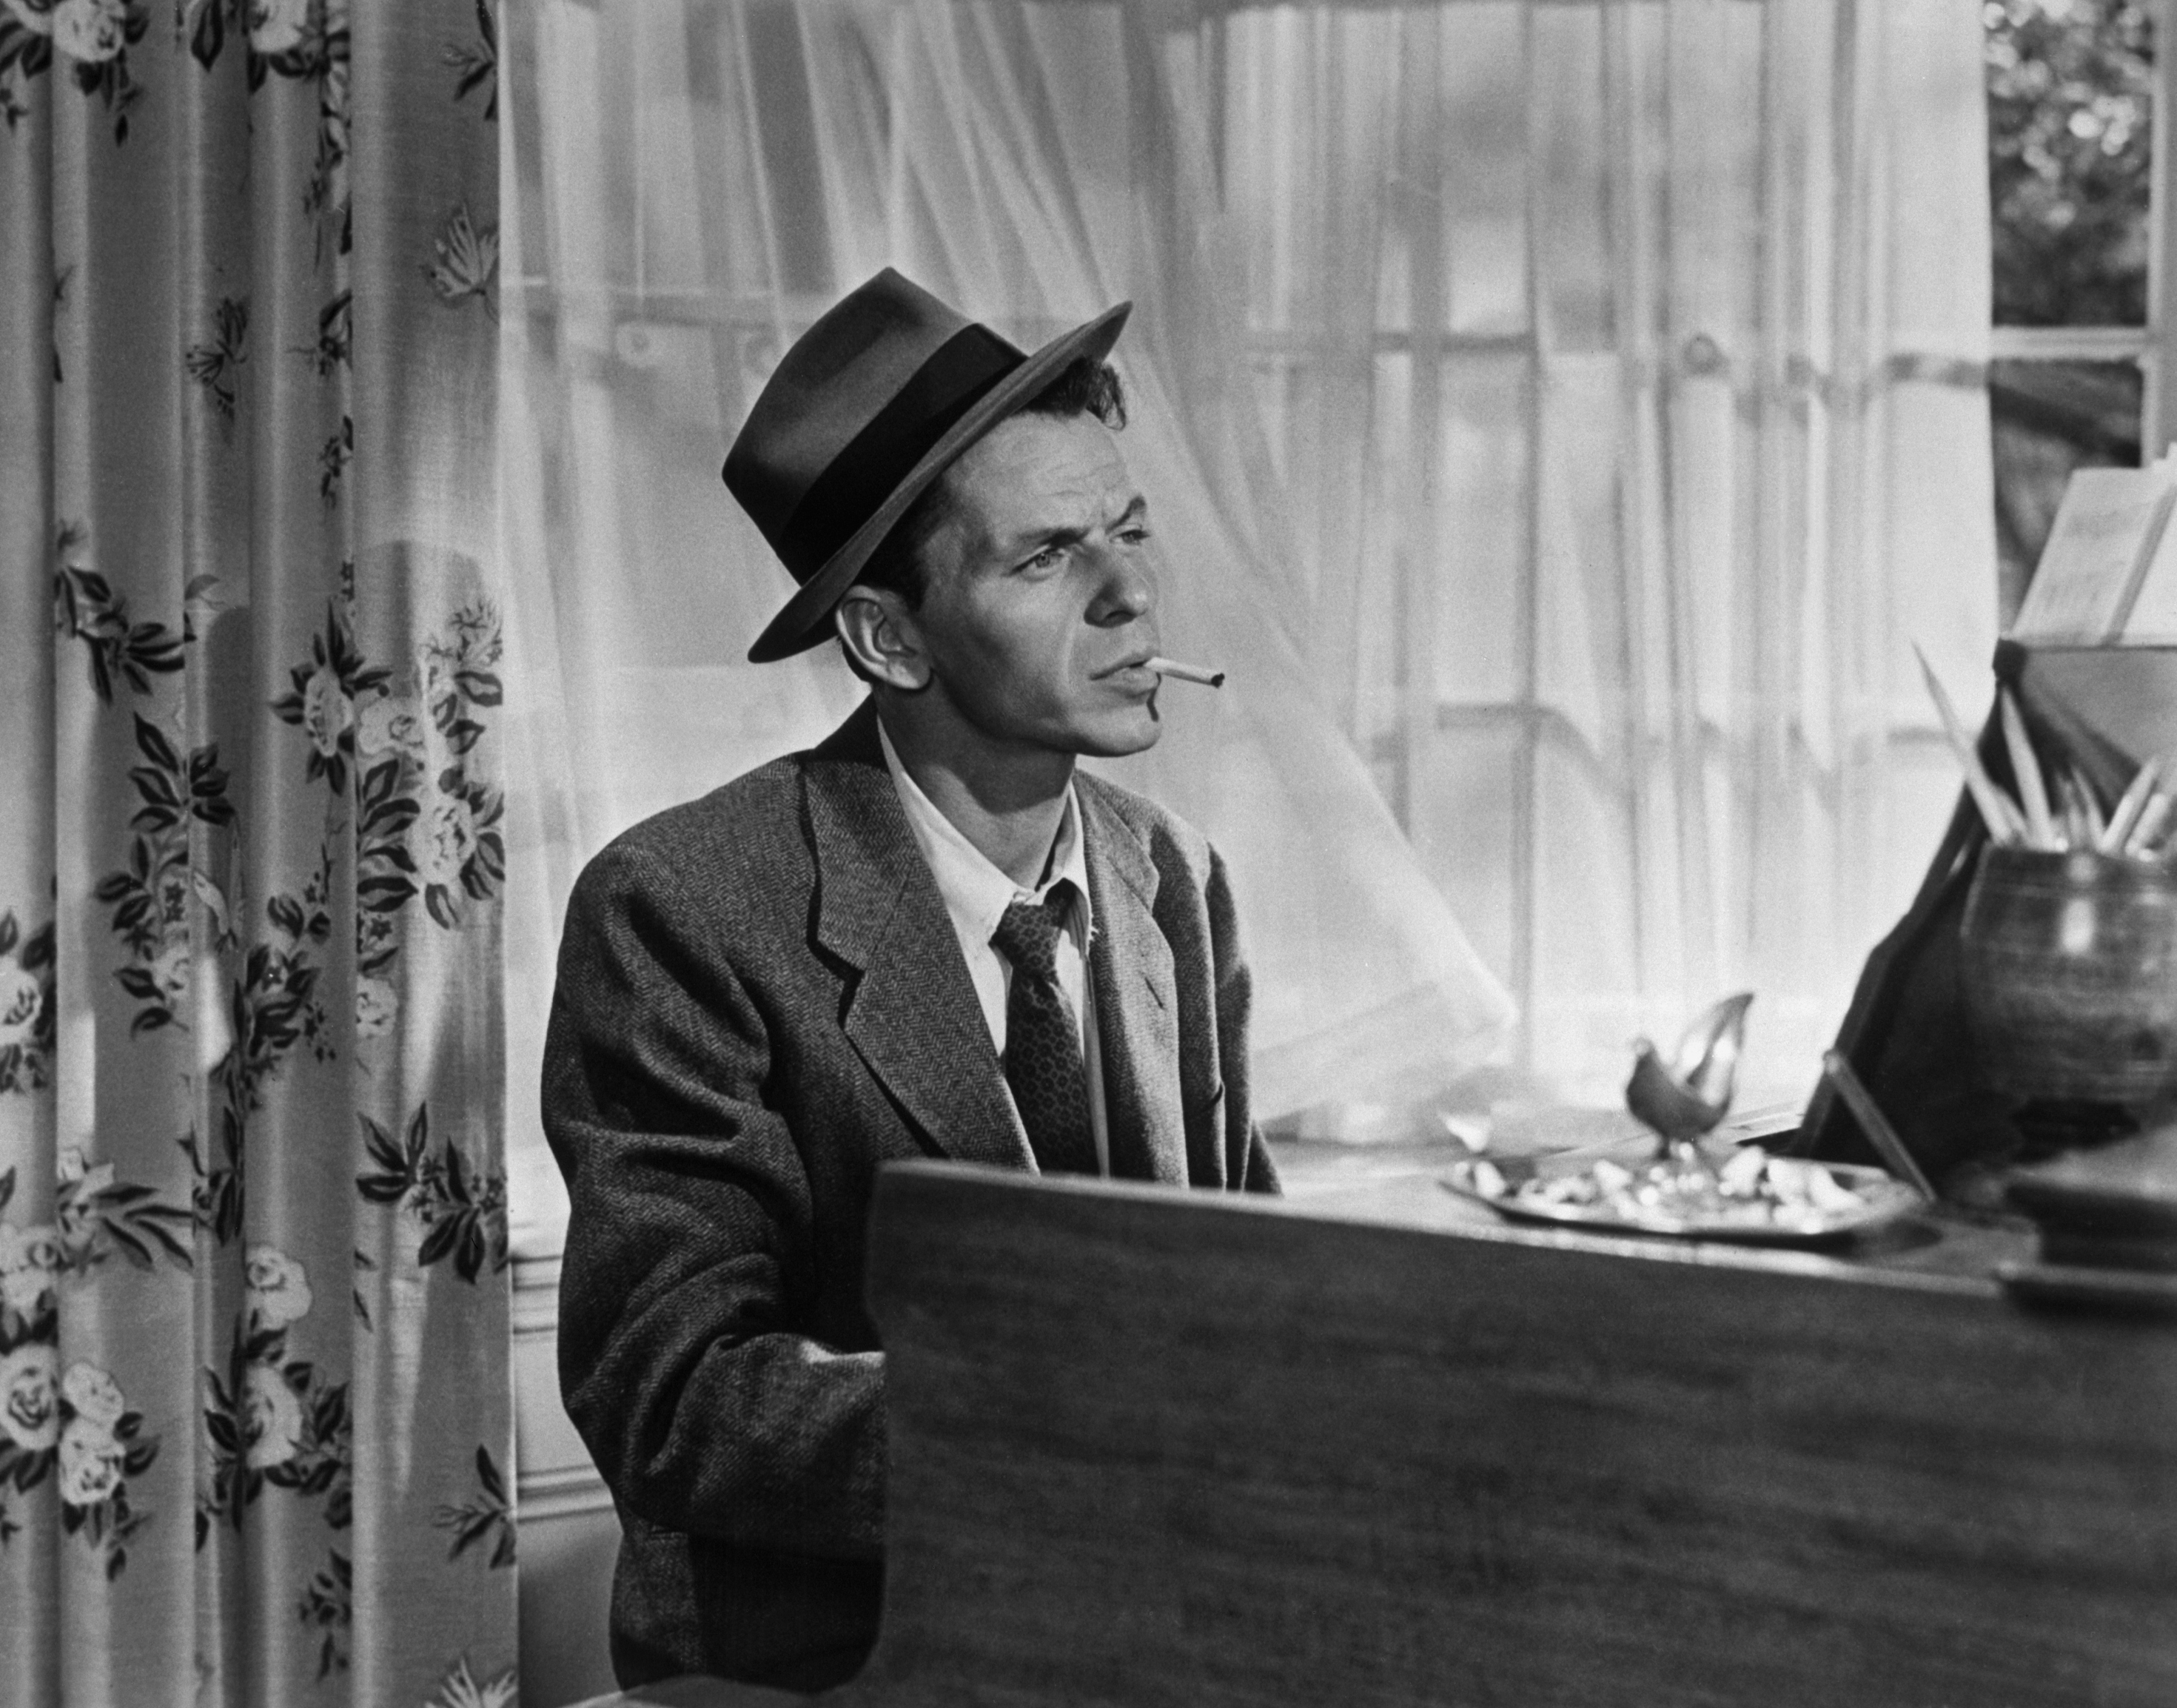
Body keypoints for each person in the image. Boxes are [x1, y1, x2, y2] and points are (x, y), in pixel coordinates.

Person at [541, 269, 1281, 1692]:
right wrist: (1071, 1430)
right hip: (828, 1675)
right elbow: (674, 1399)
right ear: (887, 637)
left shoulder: (1172, 879)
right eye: (1047, 556)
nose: (1132, 593)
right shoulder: (684, 907)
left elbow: (1244, 1284)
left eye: (1128, 530)